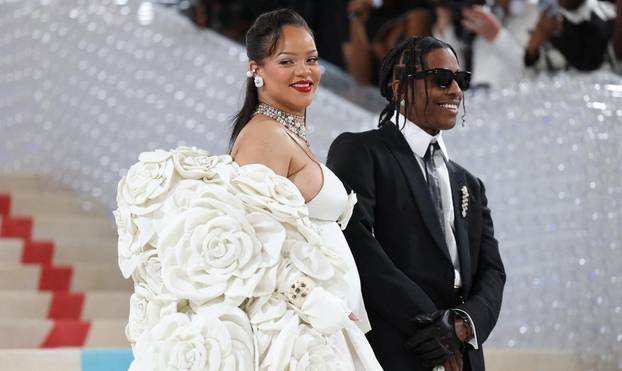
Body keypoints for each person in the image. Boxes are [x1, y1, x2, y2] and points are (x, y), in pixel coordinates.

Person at [327, 36, 506, 371]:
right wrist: (432, 328)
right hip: (397, 347)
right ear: (399, 87)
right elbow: (358, 247)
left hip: (462, 352)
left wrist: (463, 326)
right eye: (441, 78)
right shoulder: (360, 151)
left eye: (460, 80)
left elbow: (492, 272)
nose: (455, 90)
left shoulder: (469, 183)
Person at [229, 9, 383, 370]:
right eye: (287, 61)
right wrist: (313, 300)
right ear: (256, 69)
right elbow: (253, 242)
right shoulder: (264, 136)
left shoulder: (287, 135)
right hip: (297, 333)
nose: (304, 72)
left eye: (311, 60)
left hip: (324, 324)